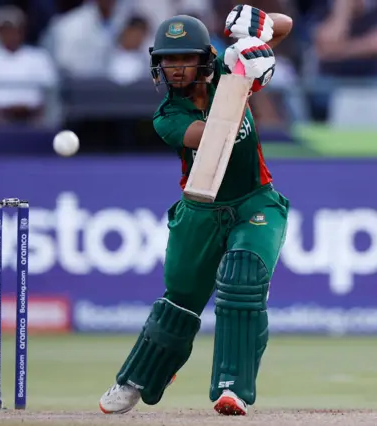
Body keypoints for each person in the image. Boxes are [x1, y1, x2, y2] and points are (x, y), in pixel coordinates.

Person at [99, 5, 293, 417]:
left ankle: (232, 387)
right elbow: (213, 135)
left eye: (185, 58)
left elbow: (287, 26)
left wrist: (255, 30)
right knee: (180, 302)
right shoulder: (167, 116)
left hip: (254, 200)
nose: (176, 68)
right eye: (168, 60)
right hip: (200, 209)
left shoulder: (230, 68)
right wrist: (247, 76)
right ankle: (140, 377)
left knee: (243, 275)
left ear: (204, 56)